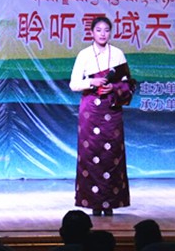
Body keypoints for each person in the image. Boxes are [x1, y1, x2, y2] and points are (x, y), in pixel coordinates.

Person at [69, 16, 135, 216]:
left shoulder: (118, 54)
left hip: (111, 109)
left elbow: (128, 84)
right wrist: (92, 82)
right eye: (98, 30)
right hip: (91, 111)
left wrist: (113, 87)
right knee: (90, 154)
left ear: (110, 32)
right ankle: (94, 203)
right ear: (91, 33)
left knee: (112, 154)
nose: (103, 34)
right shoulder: (84, 55)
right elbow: (73, 84)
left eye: (106, 30)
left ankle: (111, 202)